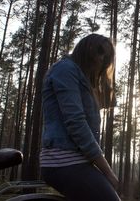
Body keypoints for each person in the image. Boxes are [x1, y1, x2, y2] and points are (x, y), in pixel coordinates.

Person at [40, 34, 120, 201]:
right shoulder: (65, 69)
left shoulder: (82, 78)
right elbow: (76, 124)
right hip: (63, 161)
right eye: (99, 51)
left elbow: (105, 103)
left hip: (77, 161)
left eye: (106, 57)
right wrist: (107, 171)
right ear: (86, 49)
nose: (101, 59)